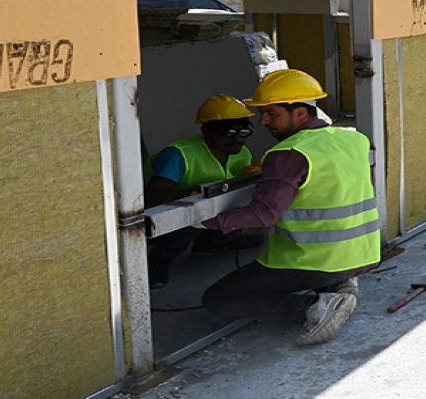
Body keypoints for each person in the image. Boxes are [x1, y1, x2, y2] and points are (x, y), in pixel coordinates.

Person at [202, 69, 380, 345]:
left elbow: (263, 214)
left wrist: (206, 221)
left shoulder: (288, 153)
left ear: (300, 113)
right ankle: (337, 286)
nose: (263, 121)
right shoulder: (353, 140)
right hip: (363, 254)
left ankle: (312, 309)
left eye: (272, 113)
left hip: (313, 260)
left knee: (219, 298)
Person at [146, 94, 256, 289]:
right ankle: (159, 259)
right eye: (228, 132)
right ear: (207, 131)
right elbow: (151, 198)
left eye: (245, 131)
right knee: (191, 214)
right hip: (164, 221)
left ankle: (212, 243)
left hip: (212, 208)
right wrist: (195, 194)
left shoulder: (241, 154)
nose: (238, 138)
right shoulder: (179, 154)